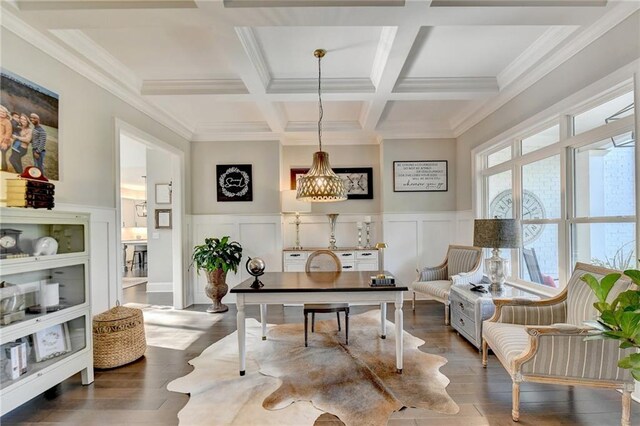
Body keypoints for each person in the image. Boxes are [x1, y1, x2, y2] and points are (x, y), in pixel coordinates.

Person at [0, 105, 12, 171]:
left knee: (2, 157)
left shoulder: (7, 122)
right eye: (0, 112)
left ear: (6, 114)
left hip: (4, 143)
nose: (1, 113)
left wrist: (4, 143)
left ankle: (4, 170)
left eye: (3, 112)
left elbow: (8, 133)